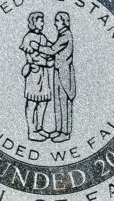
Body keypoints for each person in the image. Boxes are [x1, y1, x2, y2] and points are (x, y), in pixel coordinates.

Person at [19, 12, 54, 141]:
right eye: (40, 21)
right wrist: (45, 61)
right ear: (34, 22)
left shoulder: (43, 37)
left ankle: (39, 128)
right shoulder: (28, 37)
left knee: (43, 101)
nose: (43, 23)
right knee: (32, 103)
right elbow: (30, 57)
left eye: (43, 21)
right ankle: (31, 131)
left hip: (43, 74)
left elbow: (50, 49)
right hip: (34, 74)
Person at [47, 11, 76, 142]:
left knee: (64, 102)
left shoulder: (66, 35)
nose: (55, 23)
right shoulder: (62, 35)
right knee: (58, 102)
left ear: (64, 21)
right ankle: (58, 129)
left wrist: (36, 46)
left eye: (57, 20)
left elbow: (52, 50)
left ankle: (65, 132)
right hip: (58, 70)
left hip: (64, 72)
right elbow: (54, 48)